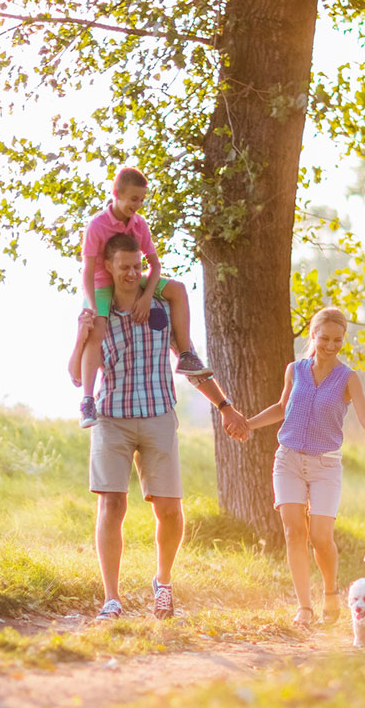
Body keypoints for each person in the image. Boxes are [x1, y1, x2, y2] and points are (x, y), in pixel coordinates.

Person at [87, 233, 248, 621]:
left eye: (138, 265)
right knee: (112, 503)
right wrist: (80, 338)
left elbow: (189, 361)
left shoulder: (161, 306)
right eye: (124, 266)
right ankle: (112, 598)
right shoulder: (98, 313)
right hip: (113, 419)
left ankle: (162, 580)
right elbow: (77, 370)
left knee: (171, 511)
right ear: (108, 266)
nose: (131, 273)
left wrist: (225, 406)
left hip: (159, 415)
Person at [244, 307, 365, 626]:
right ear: (314, 335)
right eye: (325, 338)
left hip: (326, 464)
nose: (331, 345)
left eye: (338, 340)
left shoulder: (348, 378)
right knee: (294, 531)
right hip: (289, 459)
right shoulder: (295, 370)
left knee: (321, 536)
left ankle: (331, 593)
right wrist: (249, 424)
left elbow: (363, 412)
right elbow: (282, 407)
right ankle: (304, 607)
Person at [68, 167, 212, 429]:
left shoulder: (139, 224)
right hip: (102, 283)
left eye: (142, 200)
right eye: (134, 199)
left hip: (134, 277)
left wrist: (146, 297)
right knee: (97, 328)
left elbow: (154, 266)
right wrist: (92, 304)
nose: (138, 205)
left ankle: (186, 355)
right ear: (116, 195)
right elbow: (88, 270)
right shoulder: (97, 226)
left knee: (178, 289)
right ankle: (88, 400)